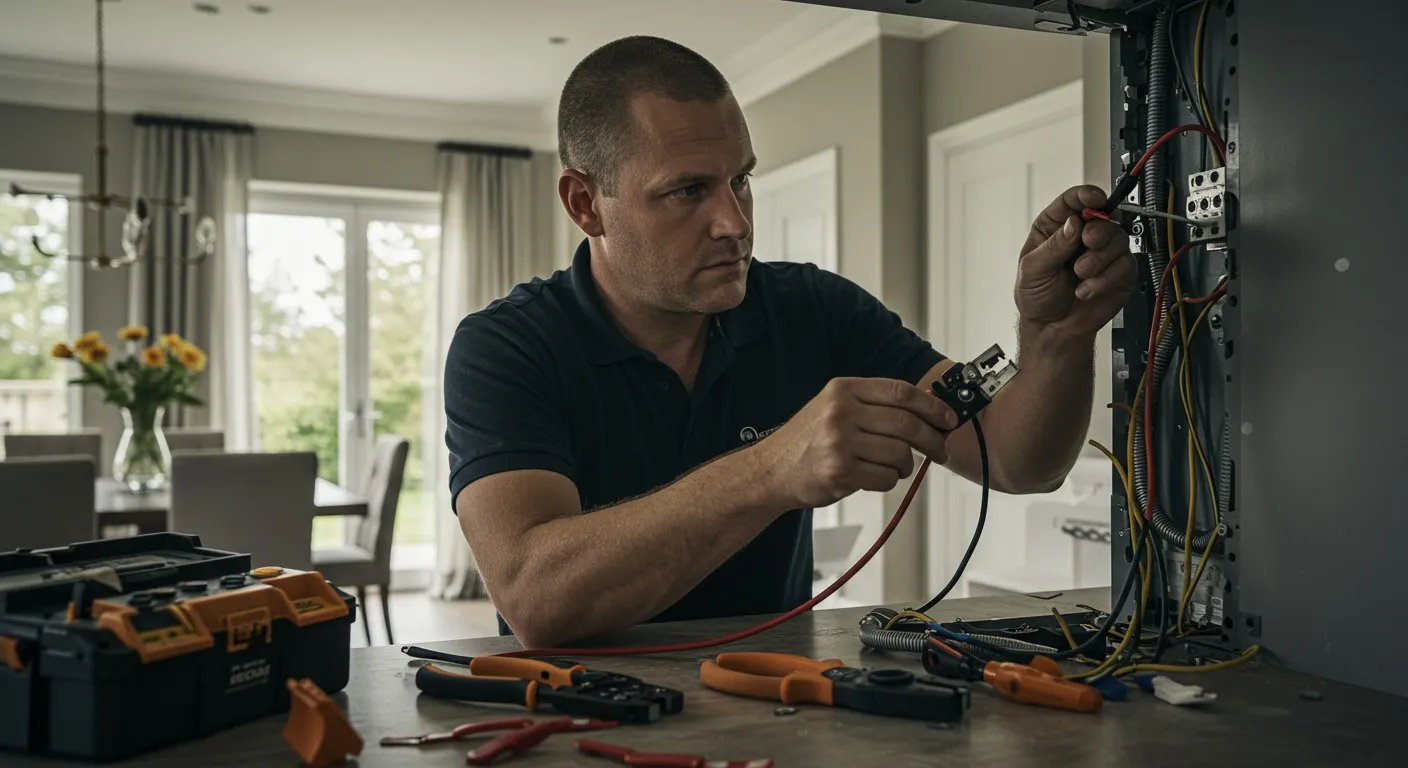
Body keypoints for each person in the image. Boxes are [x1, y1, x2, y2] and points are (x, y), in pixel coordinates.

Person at [443, 36, 1135, 649]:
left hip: (775, 702)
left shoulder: (813, 308)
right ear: (585, 203)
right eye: (687, 191)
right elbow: (535, 598)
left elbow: (1018, 461)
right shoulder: (507, 347)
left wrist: (1054, 336)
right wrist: (772, 468)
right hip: (576, 719)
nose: (735, 222)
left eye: (740, 179)